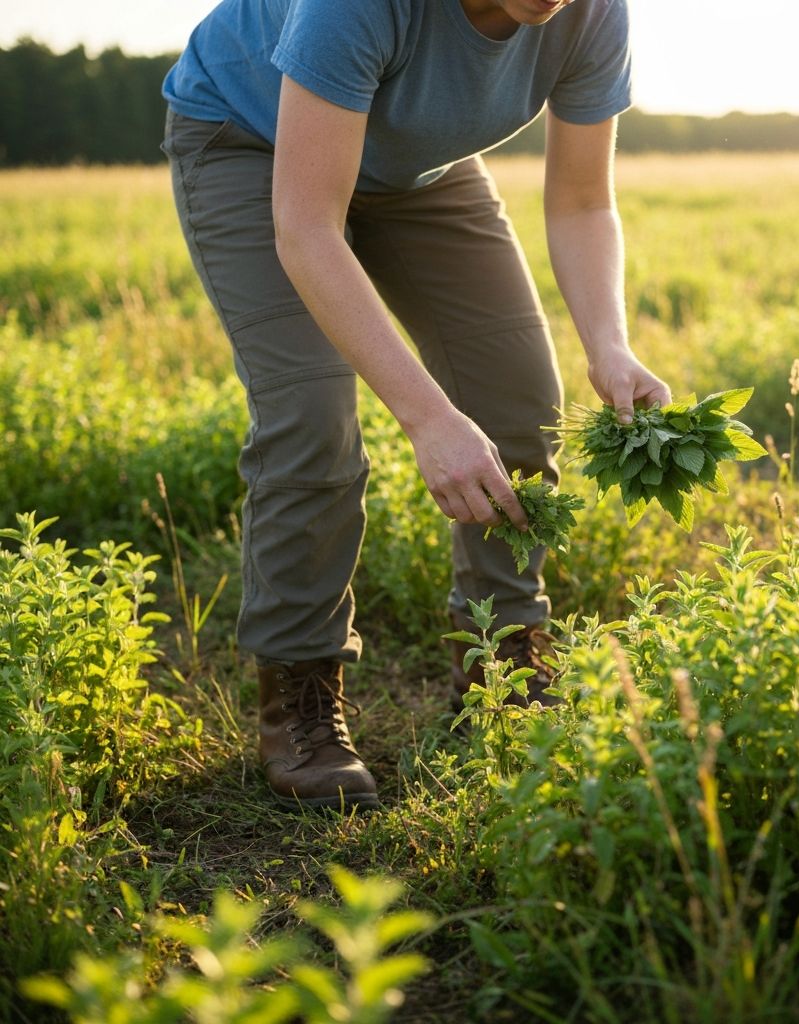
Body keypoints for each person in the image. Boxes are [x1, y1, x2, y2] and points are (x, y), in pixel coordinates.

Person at [161, 0, 670, 812]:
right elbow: (308, 228)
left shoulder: (593, 13)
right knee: (313, 418)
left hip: (414, 169)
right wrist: (429, 419)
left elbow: (582, 201)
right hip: (254, 144)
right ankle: (298, 696)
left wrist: (609, 346)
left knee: (518, 399)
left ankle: (501, 659)